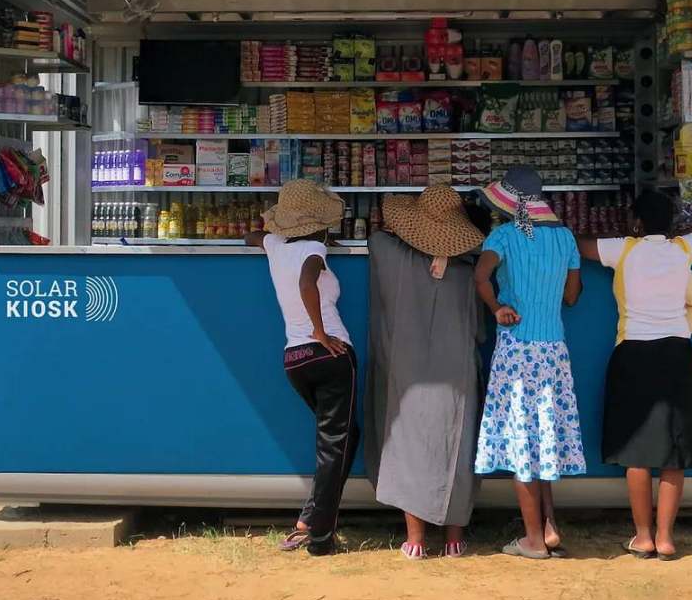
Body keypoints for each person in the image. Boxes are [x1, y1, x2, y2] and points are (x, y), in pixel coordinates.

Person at [577, 190, 692, 561]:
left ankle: (643, 537)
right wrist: (681, 233)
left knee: (637, 450)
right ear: (670, 223)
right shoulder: (683, 248)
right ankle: (666, 538)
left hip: (634, 353)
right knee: (674, 452)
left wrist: (620, 234)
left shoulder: (623, 249)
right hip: (678, 354)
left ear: (636, 222)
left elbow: (579, 245)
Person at [365, 185, 487, 560]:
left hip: (408, 368)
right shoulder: (470, 270)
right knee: (457, 444)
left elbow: (376, 236)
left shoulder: (389, 253)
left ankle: (415, 540)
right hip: (458, 369)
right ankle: (454, 539)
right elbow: (481, 330)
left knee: (409, 444)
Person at [472, 166, 586, 560]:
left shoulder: (503, 236)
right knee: (544, 439)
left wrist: (497, 306)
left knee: (523, 442)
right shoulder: (566, 238)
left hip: (517, 350)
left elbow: (481, 275)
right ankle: (550, 525)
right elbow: (572, 296)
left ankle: (533, 539)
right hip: (554, 351)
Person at [244, 179, 358, 557]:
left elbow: (250, 236)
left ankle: (310, 519)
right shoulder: (314, 249)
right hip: (329, 354)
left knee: (342, 438)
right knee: (334, 445)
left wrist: (272, 233)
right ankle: (320, 537)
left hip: (295, 359)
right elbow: (308, 282)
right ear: (320, 224)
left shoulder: (276, 246)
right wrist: (321, 332)